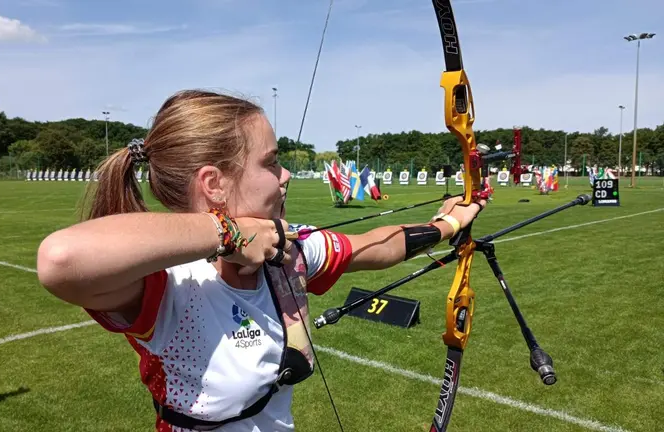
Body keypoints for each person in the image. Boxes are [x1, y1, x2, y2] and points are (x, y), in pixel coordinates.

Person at [36, 89, 485, 432]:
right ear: (214, 183)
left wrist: (446, 225)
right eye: (271, 162)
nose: (285, 174)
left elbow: (375, 246)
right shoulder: (167, 283)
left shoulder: (287, 252)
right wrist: (227, 233)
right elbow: (61, 259)